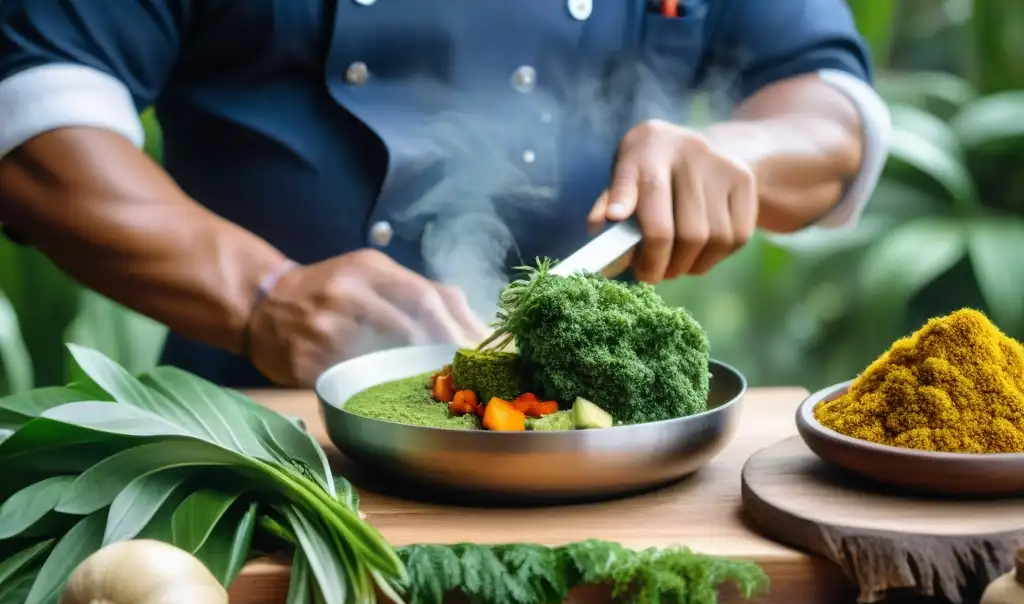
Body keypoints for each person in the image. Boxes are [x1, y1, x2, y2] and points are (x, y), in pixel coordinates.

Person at [0, 0, 889, 389]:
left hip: (592, 439)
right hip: (255, 435)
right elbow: (36, 120)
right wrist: (260, 296)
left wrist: (742, 151)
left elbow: (834, 112)